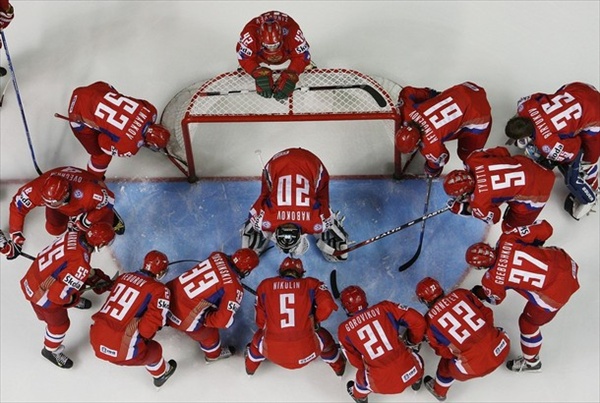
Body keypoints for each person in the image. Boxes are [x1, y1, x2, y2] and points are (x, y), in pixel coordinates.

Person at [465, 219, 580, 373]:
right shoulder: (507, 238)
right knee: (538, 248)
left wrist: (479, 292)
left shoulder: (491, 281)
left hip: (556, 294)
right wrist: (534, 246)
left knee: (528, 324)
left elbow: (495, 299)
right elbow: (546, 228)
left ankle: (532, 362)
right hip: (566, 263)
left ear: (480, 267)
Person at [18, 222, 115, 369]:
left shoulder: (73, 235)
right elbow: (57, 297)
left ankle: (74, 291)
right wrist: (74, 298)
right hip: (43, 296)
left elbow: (67, 263)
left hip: (33, 277)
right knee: (60, 324)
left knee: (75, 283)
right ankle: (50, 350)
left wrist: (88, 276)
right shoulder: (80, 265)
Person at [504, 82, 600, 220]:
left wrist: (564, 139)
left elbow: (575, 148)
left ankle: (592, 187)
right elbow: (541, 97)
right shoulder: (525, 105)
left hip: (595, 115)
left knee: (589, 159)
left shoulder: (547, 144)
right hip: (578, 88)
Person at [241, 147, 349, 262]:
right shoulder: (265, 220)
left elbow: (326, 212)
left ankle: (336, 240)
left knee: (321, 203)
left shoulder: (316, 223)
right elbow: (255, 209)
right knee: (320, 200)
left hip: (299, 162)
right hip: (292, 161)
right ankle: (336, 241)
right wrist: (262, 224)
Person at [245, 257, 346, 376]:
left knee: (257, 338)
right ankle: (339, 367)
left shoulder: (265, 285)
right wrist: (314, 321)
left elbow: (260, 322)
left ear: (281, 271)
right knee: (326, 338)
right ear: (301, 273)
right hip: (308, 353)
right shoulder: (312, 284)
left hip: (273, 354)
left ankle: (250, 368)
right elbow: (327, 306)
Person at [89, 250, 177, 387]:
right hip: (121, 350)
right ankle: (161, 374)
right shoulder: (160, 290)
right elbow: (147, 330)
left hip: (96, 338)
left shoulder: (125, 277)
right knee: (155, 350)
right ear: (160, 272)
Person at [416, 276, 510, 401]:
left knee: (445, 365)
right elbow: (487, 313)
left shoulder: (429, 321)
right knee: (492, 333)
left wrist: (460, 353)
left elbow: (442, 351)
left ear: (424, 300)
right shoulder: (461, 293)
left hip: (473, 368)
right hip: (502, 348)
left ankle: (439, 391)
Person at [4, 166, 117, 260]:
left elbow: (110, 199)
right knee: (54, 229)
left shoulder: (89, 191)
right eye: (48, 202)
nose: (52, 205)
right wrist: (16, 235)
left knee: (97, 235)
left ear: (66, 194)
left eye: (56, 202)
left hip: (92, 202)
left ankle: (111, 216)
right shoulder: (37, 189)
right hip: (68, 206)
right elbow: (17, 206)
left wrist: (88, 220)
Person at [165, 248, 259, 362]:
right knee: (209, 334)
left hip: (165, 298)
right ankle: (213, 355)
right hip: (182, 318)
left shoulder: (218, 255)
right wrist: (206, 320)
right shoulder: (234, 289)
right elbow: (223, 321)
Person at [338, 285, 427, 403]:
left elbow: (355, 361)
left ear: (346, 307)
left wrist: (369, 364)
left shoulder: (344, 330)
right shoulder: (385, 307)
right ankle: (415, 381)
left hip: (381, 383)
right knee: (417, 358)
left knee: (361, 377)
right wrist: (412, 341)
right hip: (410, 369)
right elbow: (418, 321)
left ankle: (359, 396)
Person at [66, 81, 171, 179]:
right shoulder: (129, 148)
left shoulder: (151, 110)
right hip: (77, 112)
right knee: (101, 155)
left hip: (99, 87)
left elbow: (130, 101)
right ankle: (94, 180)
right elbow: (101, 141)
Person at [443, 146, 555, 233]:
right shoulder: (472, 159)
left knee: (509, 230)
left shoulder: (479, 204)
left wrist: (466, 208)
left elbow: (495, 218)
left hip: (538, 193)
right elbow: (503, 151)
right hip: (531, 166)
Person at [396, 82, 492, 177]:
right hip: (466, 89)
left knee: (468, 156)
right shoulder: (407, 111)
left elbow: (441, 160)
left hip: (480, 114)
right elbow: (407, 92)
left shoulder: (431, 147)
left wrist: (430, 169)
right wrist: (434, 95)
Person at [236, 10, 312, 100]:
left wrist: (292, 74)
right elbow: (243, 57)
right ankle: (249, 68)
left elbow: (302, 56)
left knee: (302, 59)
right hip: (260, 55)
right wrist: (256, 71)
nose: (272, 49)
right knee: (248, 60)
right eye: (267, 46)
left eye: (275, 45)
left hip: (286, 52)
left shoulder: (292, 32)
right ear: (260, 38)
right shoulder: (250, 34)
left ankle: (305, 65)